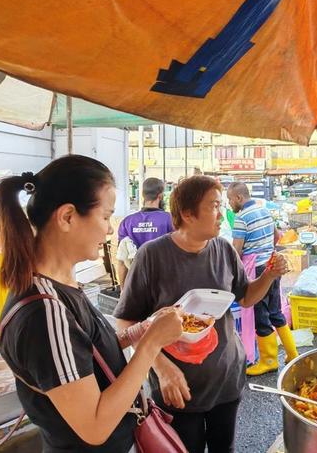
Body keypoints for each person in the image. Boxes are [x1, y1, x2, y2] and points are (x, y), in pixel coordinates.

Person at [0, 156, 184, 452]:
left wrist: (144, 330)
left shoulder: (61, 285)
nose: (109, 230)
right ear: (68, 217)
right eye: (106, 216)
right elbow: (94, 427)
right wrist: (151, 345)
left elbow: (89, 352)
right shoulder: (44, 312)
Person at [114, 176, 288, 453]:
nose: (223, 214)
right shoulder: (152, 256)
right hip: (178, 386)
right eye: (215, 206)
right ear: (187, 213)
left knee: (224, 447)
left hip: (226, 378)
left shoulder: (224, 250)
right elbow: (126, 320)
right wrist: (161, 367)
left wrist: (269, 274)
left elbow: (245, 297)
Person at [226, 181, 297, 376]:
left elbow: (236, 251)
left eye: (230, 199)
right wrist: (265, 251)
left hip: (256, 270)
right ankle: (292, 353)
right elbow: (276, 236)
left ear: (239, 198)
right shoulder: (264, 211)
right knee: (275, 311)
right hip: (272, 265)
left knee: (261, 315)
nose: (230, 204)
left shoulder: (241, 218)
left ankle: (269, 361)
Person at [116, 177, 173, 284]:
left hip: (136, 284)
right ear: (160, 196)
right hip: (164, 284)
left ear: (143, 195)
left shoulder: (127, 222)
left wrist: (123, 290)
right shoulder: (170, 220)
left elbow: (122, 261)